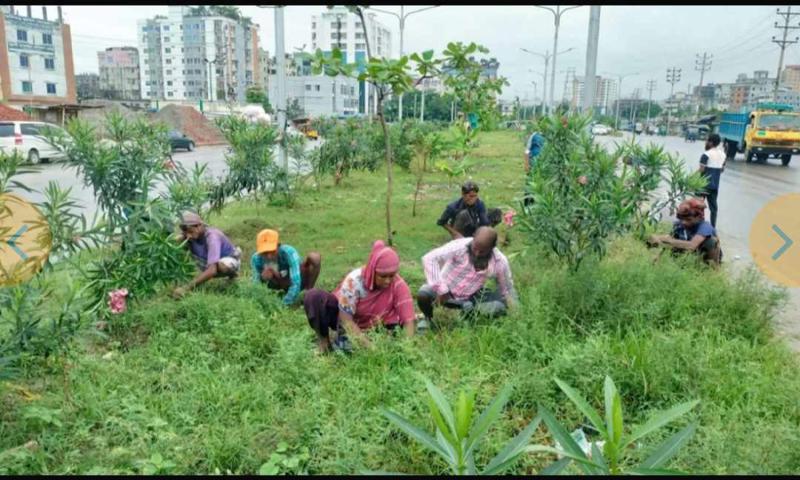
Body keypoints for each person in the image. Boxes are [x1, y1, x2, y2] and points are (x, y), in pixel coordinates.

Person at [303, 240, 415, 355]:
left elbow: (408, 321)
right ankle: (324, 342)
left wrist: (407, 349)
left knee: (386, 344)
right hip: (350, 323)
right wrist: (371, 348)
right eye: (383, 276)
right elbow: (346, 320)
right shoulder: (354, 281)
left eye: (391, 275)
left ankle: (350, 342)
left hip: (379, 327)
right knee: (313, 297)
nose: (387, 281)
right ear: (373, 270)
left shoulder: (398, 285)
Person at [416, 226, 517, 331]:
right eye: (475, 248)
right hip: (445, 292)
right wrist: (442, 290)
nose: (477, 253)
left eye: (482, 251)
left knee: (499, 307)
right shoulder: (459, 246)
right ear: (473, 238)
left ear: (492, 248)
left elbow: (506, 288)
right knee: (424, 294)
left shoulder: (500, 261)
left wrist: (516, 312)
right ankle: (428, 319)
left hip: (471, 297)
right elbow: (429, 258)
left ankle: (467, 322)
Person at [172, 212, 241, 299]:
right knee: (181, 244)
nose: (189, 235)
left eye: (190, 232)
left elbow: (212, 271)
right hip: (207, 262)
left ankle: (233, 275)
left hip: (228, 262)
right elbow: (176, 241)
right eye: (186, 233)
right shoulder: (190, 235)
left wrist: (187, 287)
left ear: (199, 226)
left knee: (221, 266)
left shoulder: (212, 237)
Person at [251, 229, 322, 306]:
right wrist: (263, 278)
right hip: (274, 284)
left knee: (315, 257)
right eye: (264, 253)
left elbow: (296, 282)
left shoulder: (288, 252)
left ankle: (308, 293)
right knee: (265, 275)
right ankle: (276, 295)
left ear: (278, 246)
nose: (269, 256)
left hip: (291, 280)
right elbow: (255, 284)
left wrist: (285, 303)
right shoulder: (256, 259)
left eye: (272, 251)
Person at [647, 197, 722, 266]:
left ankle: (713, 271)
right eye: (682, 219)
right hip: (692, 254)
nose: (684, 222)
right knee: (675, 239)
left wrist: (663, 240)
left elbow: (692, 246)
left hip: (704, 256)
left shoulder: (705, 227)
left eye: (688, 220)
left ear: (699, 217)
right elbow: (671, 240)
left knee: (711, 241)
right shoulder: (679, 225)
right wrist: (658, 257)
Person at [698, 133, 725, 228]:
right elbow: (722, 169)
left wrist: (692, 178)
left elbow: (701, 170)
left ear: (711, 142)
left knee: (699, 205)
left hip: (703, 184)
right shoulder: (723, 155)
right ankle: (713, 228)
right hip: (714, 185)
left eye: (707, 140)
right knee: (714, 209)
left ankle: (700, 225)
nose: (705, 142)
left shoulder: (706, 155)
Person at [523, 130, 545, 206]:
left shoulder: (553, 137)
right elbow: (526, 151)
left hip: (545, 167)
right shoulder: (535, 136)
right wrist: (526, 164)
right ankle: (528, 207)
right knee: (530, 187)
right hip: (533, 166)